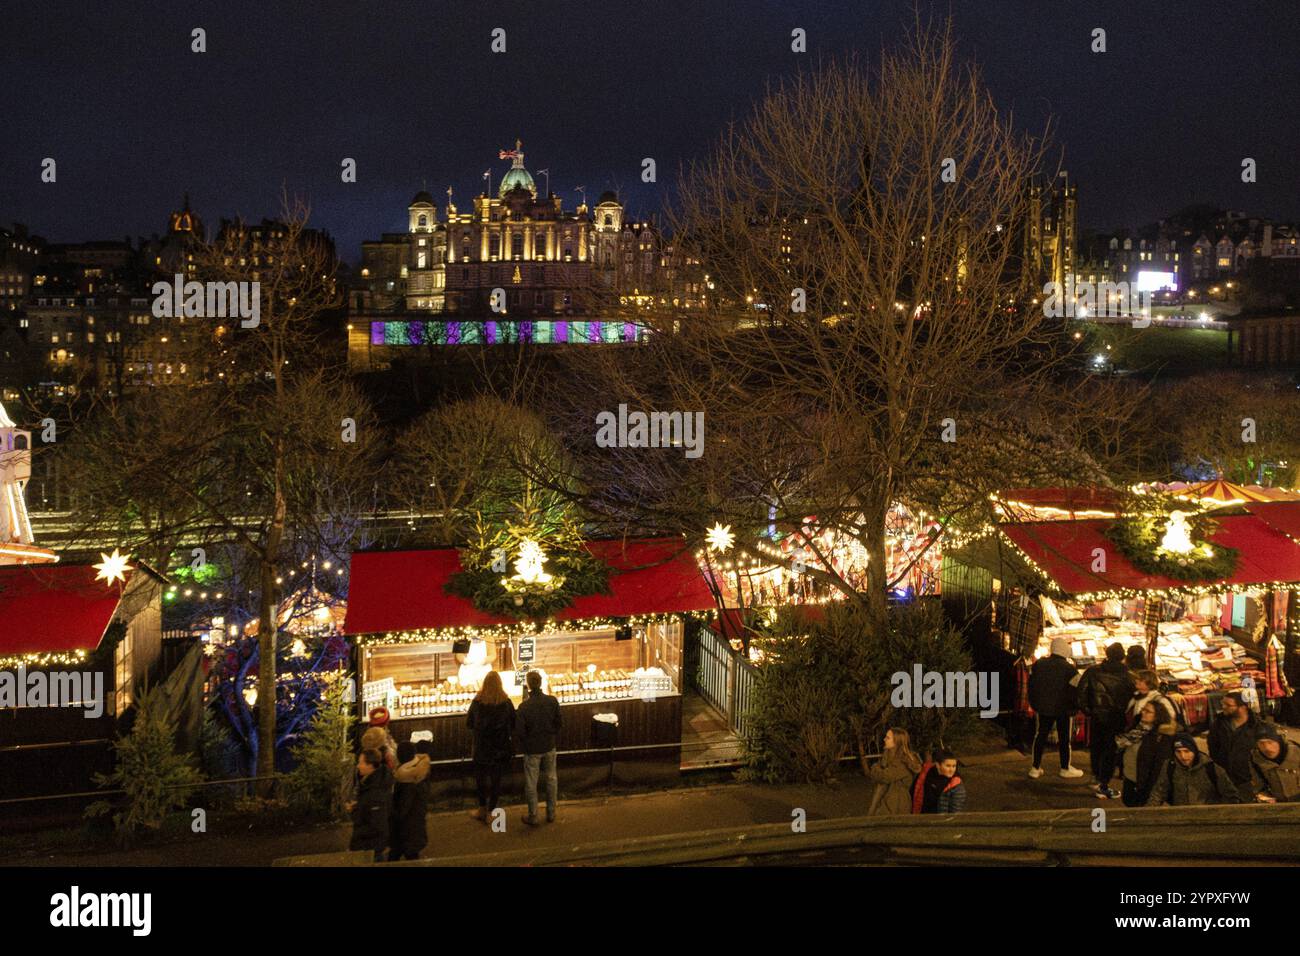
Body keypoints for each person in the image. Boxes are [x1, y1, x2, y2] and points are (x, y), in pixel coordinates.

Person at [1076, 642, 1136, 798]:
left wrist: (1089, 711)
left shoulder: (1092, 671)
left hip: (1097, 717)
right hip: (1117, 718)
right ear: (1122, 657)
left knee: (1096, 746)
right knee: (1111, 749)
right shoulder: (1128, 676)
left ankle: (1096, 777)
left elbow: (1080, 694)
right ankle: (1103, 785)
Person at [1027, 637, 1084, 779]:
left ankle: (1035, 767)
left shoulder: (1039, 664)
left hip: (1043, 707)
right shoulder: (1070, 670)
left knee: (1040, 735)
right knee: (1064, 738)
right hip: (1063, 709)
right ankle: (1065, 768)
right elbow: (1076, 691)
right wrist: (1074, 707)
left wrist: (1034, 703)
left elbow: (1031, 685)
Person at [466, 670, 516, 823]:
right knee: (496, 780)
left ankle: (481, 809)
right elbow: (514, 723)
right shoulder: (506, 702)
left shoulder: (477, 702)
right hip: (500, 748)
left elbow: (469, 723)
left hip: (481, 748)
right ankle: (491, 811)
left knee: (480, 779)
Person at [516, 670, 562, 826]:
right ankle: (551, 813)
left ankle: (533, 815)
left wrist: (526, 741)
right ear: (541, 683)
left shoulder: (524, 707)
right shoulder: (552, 701)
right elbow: (559, 724)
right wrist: (550, 734)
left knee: (531, 783)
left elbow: (520, 732)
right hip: (549, 745)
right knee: (551, 779)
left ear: (528, 685)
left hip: (532, 749)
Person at [1145, 733, 1240, 807]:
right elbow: (1158, 792)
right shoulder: (1170, 766)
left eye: (1187, 751)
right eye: (1178, 752)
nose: (1183, 756)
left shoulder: (1210, 768)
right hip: (1181, 818)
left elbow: (1230, 794)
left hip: (1208, 820)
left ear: (1194, 750)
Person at [1115, 701, 1175, 806]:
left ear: (1157, 716)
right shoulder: (1137, 729)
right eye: (1143, 709)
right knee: (1128, 802)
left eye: (1148, 711)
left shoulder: (1161, 736)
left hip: (1144, 782)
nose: (1143, 712)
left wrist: (1151, 790)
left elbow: (1159, 767)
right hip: (1129, 776)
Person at [1207, 691, 1260, 800]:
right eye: (1223, 704)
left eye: (1228, 705)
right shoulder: (1218, 724)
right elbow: (1213, 748)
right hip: (1224, 778)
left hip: (1248, 780)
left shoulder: (1256, 726)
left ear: (1243, 707)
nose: (1223, 707)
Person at [863, 727, 923, 816]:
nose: (884, 739)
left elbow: (884, 777)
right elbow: (877, 773)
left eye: (888, 738)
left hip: (896, 804)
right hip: (885, 801)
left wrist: (875, 768)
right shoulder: (887, 757)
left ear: (897, 741)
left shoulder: (905, 762)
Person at [348, 748, 393, 862]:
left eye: (360, 763)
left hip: (370, 848)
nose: (358, 766)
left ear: (371, 765)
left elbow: (377, 825)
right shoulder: (371, 783)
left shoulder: (375, 791)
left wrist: (355, 811)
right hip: (370, 846)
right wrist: (358, 806)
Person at [388, 740, 430, 860]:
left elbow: (402, 809)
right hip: (415, 827)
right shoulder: (420, 771)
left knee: (399, 855)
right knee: (408, 855)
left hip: (405, 831)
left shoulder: (405, 779)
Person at [1249, 725, 1300, 803]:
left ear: (1278, 741)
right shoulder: (1255, 760)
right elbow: (1259, 787)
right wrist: (1265, 798)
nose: (1267, 748)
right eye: (1261, 743)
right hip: (1278, 805)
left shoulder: (1296, 752)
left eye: (1270, 742)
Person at [911, 749, 966, 814]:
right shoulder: (925, 774)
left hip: (940, 821)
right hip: (922, 817)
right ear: (938, 765)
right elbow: (915, 793)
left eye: (954, 766)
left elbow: (955, 811)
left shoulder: (956, 785)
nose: (951, 770)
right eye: (948, 766)